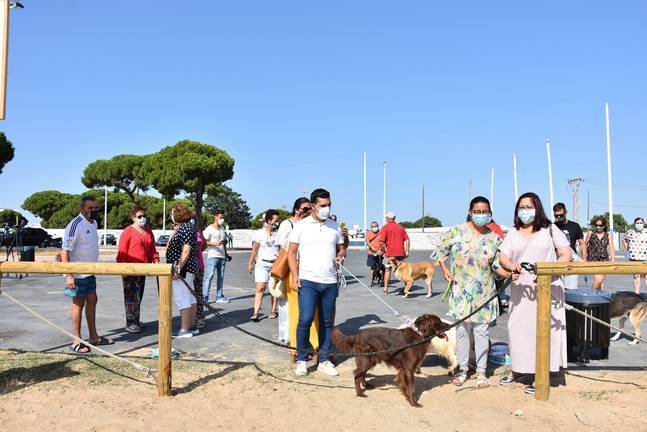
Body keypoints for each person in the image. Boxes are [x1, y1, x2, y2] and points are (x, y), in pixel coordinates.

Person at [434, 196, 511, 388]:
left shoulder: (494, 238)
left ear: (490, 214)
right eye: (477, 211)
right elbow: (440, 253)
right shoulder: (456, 231)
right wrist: (444, 271)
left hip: (484, 293)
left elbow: (496, 266)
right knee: (461, 333)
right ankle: (462, 369)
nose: (481, 215)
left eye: (485, 212)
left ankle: (481, 372)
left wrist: (510, 273)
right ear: (470, 211)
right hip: (461, 293)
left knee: (482, 333)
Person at [498, 192, 571, 395]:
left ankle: (542, 374)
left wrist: (550, 270)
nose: (524, 211)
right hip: (521, 289)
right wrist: (510, 266)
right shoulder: (512, 232)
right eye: (521, 207)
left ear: (537, 208)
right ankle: (518, 369)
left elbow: (565, 253)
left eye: (528, 207)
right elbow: (502, 255)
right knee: (519, 330)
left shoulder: (549, 229)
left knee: (545, 331)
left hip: (547, 287)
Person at [288, 188, 345, 377]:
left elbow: (341, 249)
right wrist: (295, 275)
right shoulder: (301, 226)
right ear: (313, 205)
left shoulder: (334, 227)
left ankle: (324, 359)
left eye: (328, 205)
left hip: (330, 282)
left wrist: (340, 256)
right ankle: (302, 360)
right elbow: (291, 252)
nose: (326, 208)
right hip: (308, 281)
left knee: (327, 322)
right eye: (322, 205)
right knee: (304, 320)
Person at [61, 196, 113, 353]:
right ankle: (76, 339)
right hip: (77, 274)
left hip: (90, 273)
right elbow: (64, 251)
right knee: (78, 303)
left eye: (96, 208)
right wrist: (69, 275)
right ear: (83, 208)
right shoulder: (75, 225)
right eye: (91, 208)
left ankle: (94, 336)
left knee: (92, 300)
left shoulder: (94, 223)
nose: (94, 211)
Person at [276, 198, 321, 356]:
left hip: (312, 271)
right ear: (297, 210)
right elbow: (284, 247)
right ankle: (296, 348)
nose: (308, 211)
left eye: (310, 208)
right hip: (294, 270)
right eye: (305, 208)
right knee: (296, 312)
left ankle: (316, 346)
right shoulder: (287, 224)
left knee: (314, 312)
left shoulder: (313, 225)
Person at [116, 205, 160, 333]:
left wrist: (156, 260)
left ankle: (136, 318)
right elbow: (122, 251)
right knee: (131, 296)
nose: (143, 218)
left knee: (139, 295)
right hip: (130, 269)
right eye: (139, 216)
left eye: (144, 216)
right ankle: (131, 322)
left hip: (143, 269)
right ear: (133, 218)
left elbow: (152, 249)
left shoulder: (148, 231)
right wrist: (122, 269)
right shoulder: (127, 231)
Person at [166, 205, 199, 338]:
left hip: (183, 270)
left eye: (172, 213)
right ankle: (191, 326)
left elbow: (186, 250)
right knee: (190, 296)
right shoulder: (187, 227)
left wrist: (178, 268)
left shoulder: (185, 228)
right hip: (188, 269)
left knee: (182, 298)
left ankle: (184, 329)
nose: (171, 215)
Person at [248, 210, 281, 322]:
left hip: (275, 264)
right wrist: (250, 263)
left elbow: (282, 250)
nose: (277, 223)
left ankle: (273, 310)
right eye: (275, 221)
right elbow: (255, 249)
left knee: (273, 288)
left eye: (278, 221)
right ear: (268, 220)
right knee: (260, 287)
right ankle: (256, 312)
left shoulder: (278, 234)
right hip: (262, 263)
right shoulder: (259, 233)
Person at [553, 203, 586, 290]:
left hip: (572, 261)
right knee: (557, 289)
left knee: (571, 290)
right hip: (556, 261)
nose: (559, 217)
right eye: (556, 216)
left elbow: (582, 244)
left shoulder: (575, 226)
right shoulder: (552, 227)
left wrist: (584, 260)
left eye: (561, 215)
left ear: (566, 212)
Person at [379, 211, 410, 294]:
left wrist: (383, 251)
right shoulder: (400, 227)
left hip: (390, 253)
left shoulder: (385, 228)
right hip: (400, 252)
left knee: (388, 269)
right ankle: (406, 288)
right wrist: (407, 251)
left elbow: (381, 242)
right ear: (394, 218)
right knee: (403, 270)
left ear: (387, 218)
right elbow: (407, 239)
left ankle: (386, 288)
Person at [203, 210, 229, 304]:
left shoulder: (222, 228)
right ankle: (205, 297)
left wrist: (226, 254)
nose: (222, 219)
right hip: (213, 255)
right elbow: (204, 242)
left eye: (223, 218)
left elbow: (224, 242)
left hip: (222, 256)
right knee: (210, 276)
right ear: (215, 217)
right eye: (220, 217)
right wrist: (215, 243)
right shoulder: (209, 228)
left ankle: (219, 296)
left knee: (221, 277)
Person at [585, 216, 614, 291]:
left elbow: (611, 248)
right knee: (598, 280)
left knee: (602, 281)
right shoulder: (591, 234)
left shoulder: (607, 235)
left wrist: (613, 259)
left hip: (604, 260)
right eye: (596, 225)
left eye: (600, 225)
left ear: (604, 226)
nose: (598, 227)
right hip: (593, 259)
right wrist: (585, 257)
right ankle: (591, 295)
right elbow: (585, 245)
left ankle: (599, 298)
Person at [623, 217, 647, 294]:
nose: (639, 224)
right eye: (637, 223)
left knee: (646, 277)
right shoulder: (630, 232)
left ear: (644, 224)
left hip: (645, 258)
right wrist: (627, 247)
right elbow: (624, 239)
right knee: (636, 277)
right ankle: (637, 294)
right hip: (634, 258)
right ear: (634, 224)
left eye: (640, 223)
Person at [194, 223, 208, 326]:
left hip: (199, 266)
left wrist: (197, 252)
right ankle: (188, 317)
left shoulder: (198, 230)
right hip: (187, 268)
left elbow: (204, 245)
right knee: (187, 294)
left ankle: (199, 315)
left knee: (198, 292)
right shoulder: (178, 229)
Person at [366, 221, 384, 286]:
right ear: (371, 227)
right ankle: (372, 280)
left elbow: (383, 243)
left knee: (379, 267)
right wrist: (372, 248)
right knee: (372, 267)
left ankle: (380, 276)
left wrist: (381, 250)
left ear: (378, 226)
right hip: (371, 253)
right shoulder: (368, 233)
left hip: (380, 253)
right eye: (373, 226)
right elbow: (367, 242)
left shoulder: (381, 233)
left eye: (375, 226)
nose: (374, 227)